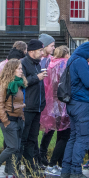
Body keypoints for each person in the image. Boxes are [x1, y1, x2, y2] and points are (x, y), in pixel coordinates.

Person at [60, 41, 89, 178]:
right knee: (83, 138)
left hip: (72, 104)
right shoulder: (81, 62)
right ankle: (76, 173)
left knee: (73, 138)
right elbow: (88, 82)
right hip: (82, 105)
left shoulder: (72, 60)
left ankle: (66, 172)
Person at [41, 46, 71, 175]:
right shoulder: (64, 65)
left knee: (60, 133)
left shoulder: (51, 65)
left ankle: (59, 163)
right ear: (66, 54)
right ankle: (53, 163)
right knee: (64, 136)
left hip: (53, 103)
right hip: (63, 103)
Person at [20, 38, 48, 173]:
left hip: (37, 107)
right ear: (32, 51)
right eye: (40, 50)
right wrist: (37, 78)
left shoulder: (37, 64)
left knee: (32, 139)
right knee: (23, 138)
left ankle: (30, 167)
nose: (42, 53)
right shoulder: (22, 64)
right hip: (27, 107)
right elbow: (21, 82)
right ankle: (15, 167)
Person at [37, 33, 57, 166]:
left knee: (50, 127)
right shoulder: (38, 60)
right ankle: (36, 155)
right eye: (52, 45)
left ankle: (42, 153)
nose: (54, 48)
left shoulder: (52, 60)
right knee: (35, 127)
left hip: (50, 99)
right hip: (39, 98)